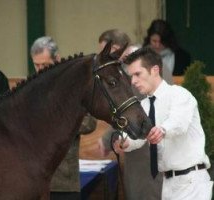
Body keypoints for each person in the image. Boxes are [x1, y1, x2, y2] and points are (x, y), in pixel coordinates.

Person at [113, 47, 213, 200]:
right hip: (167, 184)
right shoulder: (143, 105)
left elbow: (178, 123)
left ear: (154, 70)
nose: (133, 81)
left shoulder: (180, 94)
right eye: (131, 76)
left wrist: (162, 130)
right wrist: (124, 142)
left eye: (137, 74)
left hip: (192, 182)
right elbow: (138, 136)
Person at [98, 29, 164, 200]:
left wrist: (107, 139)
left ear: (117, 48)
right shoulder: (129, 68)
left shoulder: (141, 67)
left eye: (105, 52)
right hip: (137, 152)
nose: (103, 58)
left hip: (151, 156)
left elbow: (136, 109)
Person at [30, 36, 97, 200]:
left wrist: (55, 122)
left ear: (57, 59)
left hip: (64, 179)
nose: (40, 69)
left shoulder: (76, 86)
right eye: (36, 65)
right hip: (32, 177)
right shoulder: (29, 89)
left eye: (44, 65)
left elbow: (90, 122)